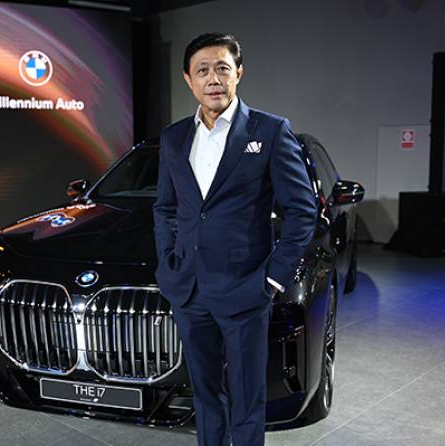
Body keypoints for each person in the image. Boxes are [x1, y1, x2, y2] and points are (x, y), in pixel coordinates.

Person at [152, 33, 317, 445]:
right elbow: (166, 208)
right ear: (188, 79)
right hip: (189, 289)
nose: (213, 79)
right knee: (205, 397)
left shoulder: (271, 131)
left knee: (247, 401)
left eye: (222, 68)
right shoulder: (174, 138)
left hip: (246, 289)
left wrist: (272, 279)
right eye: (202, 70)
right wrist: (168, 262)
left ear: (238, 74)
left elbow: (302, 211)